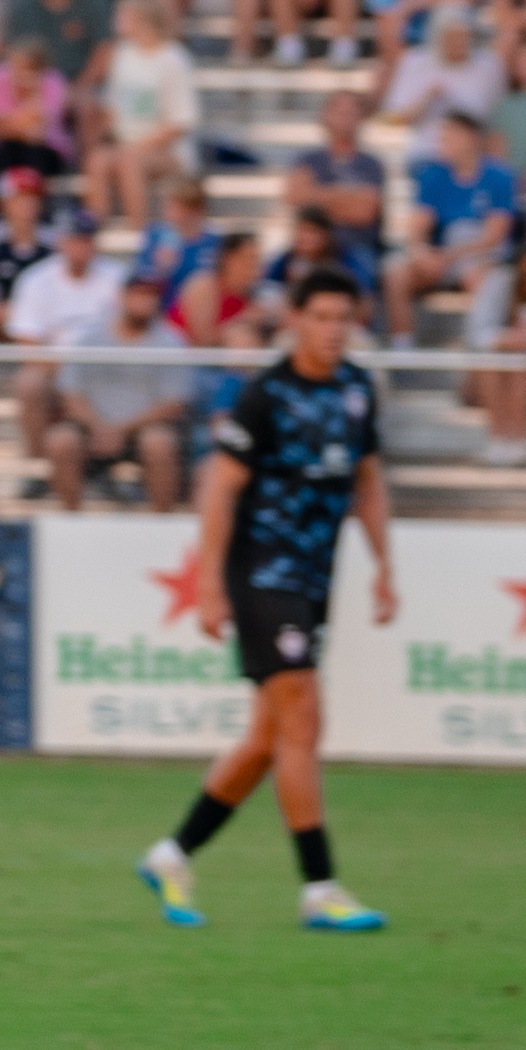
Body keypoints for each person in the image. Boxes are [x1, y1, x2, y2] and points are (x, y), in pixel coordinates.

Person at [135, 270, 399, 936]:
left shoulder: (357, 391)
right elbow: (220, 488)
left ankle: (172, 855)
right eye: (323, 316)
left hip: (313, 582)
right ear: (297, 322)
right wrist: (208, 584)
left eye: (345, 317)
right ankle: (320, 887)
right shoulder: (267, 395)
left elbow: (367, 482)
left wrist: (384, 566)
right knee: (304, 720)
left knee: (266, 737)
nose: (335, 329)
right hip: (261, 576)